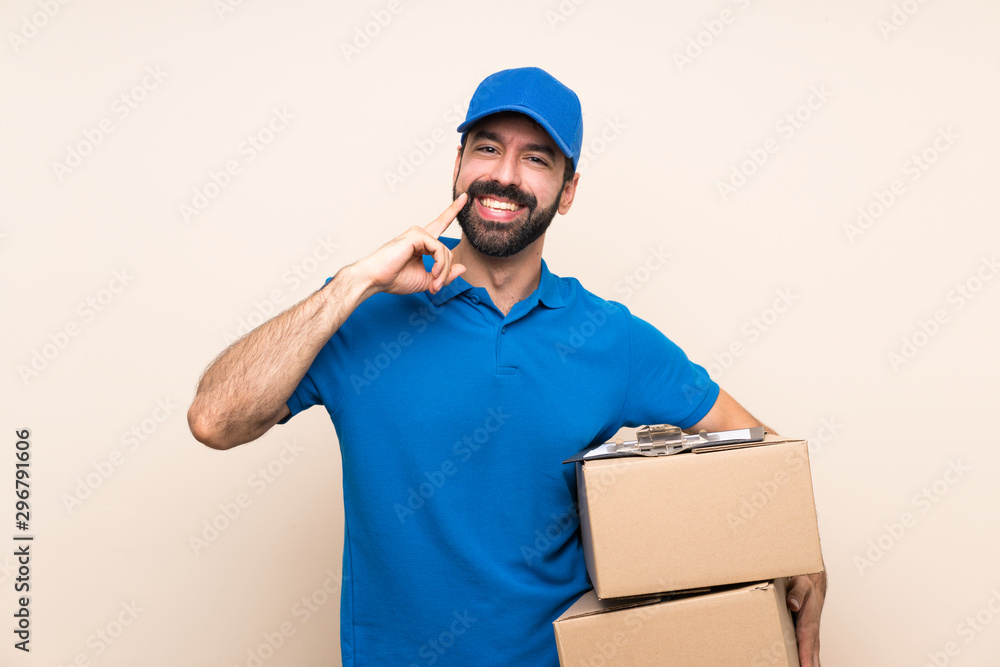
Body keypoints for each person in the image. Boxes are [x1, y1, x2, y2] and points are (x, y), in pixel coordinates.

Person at [188, 66, 826, 666]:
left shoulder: (609, 337)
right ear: (459, 164)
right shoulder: (364, 309)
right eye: (487, 149)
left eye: (537, 158)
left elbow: (760, 459)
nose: (506, 175)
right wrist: (352, 283)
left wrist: (799, 553)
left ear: (568, 191)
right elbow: (215, 420)